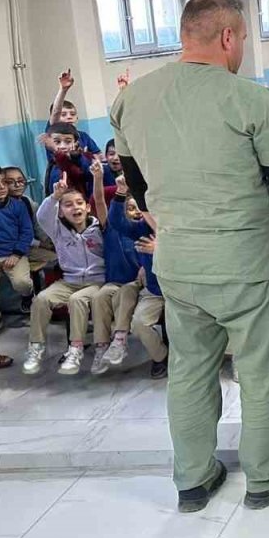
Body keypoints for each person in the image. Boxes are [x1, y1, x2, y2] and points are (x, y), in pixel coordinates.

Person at [110, 0, 269, 513]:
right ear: (228, 36)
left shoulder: (130, 100)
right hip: (246, 265)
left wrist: (177, 230)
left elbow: (138, 189)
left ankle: (193, 479)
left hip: (179, 265)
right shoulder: (249, 98)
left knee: (189, 371)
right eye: (244, 40)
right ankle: (267, 477)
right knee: (261, 373)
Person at [26, 174, 105, 376]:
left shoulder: (99, 228)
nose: (75, 207)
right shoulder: (58, 230)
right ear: (60, 213)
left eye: (79, 203)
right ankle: (36, 347)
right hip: (69, 281)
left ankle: (75, 349)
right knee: (41, 299)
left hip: (96, 282)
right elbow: (42, 216)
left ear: (87, 207)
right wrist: (54, 197)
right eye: (68, 205)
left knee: (77, 300)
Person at [88, 162, 144, 376]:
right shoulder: (111, 226)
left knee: (125, 292)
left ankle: (120, 341)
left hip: (136, 284)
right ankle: (101, 347)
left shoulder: (144, 230)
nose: (136, 211)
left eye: (139, 207)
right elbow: (99, 200)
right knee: (100, 297)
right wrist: (98, 178)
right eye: (130, 207)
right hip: (114, 281)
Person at [115, 179, 169, 379]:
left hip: (182, 291)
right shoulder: (142, 228)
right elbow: (118, 223)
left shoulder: (178, 224)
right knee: (139, 323)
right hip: (155, 291)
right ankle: (160, 357)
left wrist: (161, 249)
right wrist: (121, 192)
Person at [0, 164, 34, 337]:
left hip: (14, 254)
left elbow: (27, 232)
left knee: (22, 283)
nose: (2, 186)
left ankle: (28, 296)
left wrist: (17, 253)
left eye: (4, 182)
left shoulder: (17, 206)